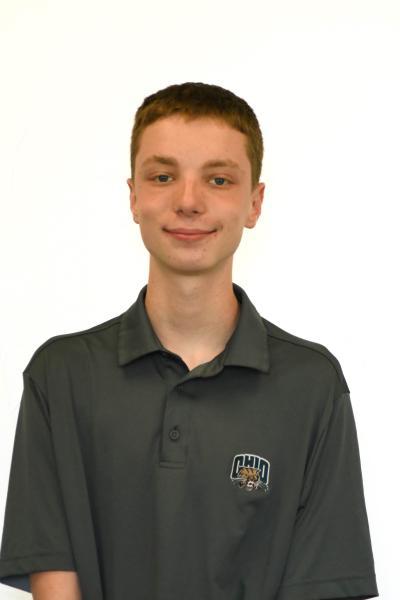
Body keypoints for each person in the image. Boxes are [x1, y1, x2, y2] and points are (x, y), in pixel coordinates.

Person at [0, 82, 379, 600]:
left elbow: (324, 586)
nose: (188, 201)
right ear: (133, 196)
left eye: (218, 179)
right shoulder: (61, 375)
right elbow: (56, 586)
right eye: (163, 176)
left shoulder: (312, 386)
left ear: (254, 203)